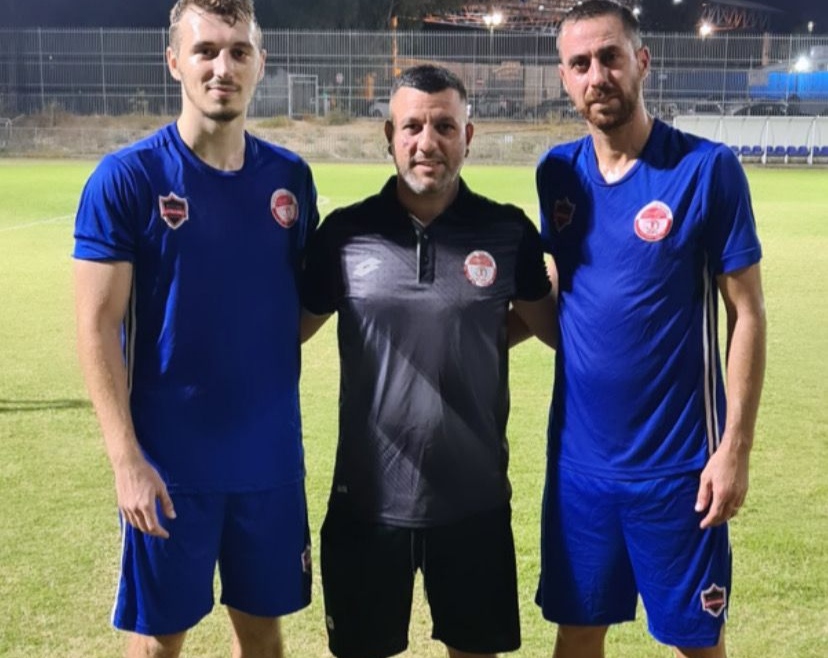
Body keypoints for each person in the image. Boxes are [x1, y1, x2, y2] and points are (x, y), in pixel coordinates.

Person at [73, 1, 318, 656]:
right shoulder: (128, 178)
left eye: (239, 51)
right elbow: (96, 327)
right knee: (158, 643)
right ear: (174, 61)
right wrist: (126, 460)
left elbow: (295, 306)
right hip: (169, 465)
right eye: (205, 50)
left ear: (260, 64)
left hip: (269, 461)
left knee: (263, 638)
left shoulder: (291, 179)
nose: (222, 67)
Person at [534, 2, 767, 658]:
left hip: (679, 470)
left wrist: (735, 449)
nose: (597, 76)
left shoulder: (707, 169)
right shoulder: (556, 173)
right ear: (564, 78)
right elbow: (566, 288)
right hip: (578, 470)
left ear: (641, 61)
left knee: (696, 642)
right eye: (580, 64)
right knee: (576, 634)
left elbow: (747, 312)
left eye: (610, 57)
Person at [301, 64, 557, 658]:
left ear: (468, 136)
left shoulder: (507, 231)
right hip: (366, 502)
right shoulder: (344, 234)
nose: (427, 142)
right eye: (412, 126)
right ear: (388, 135)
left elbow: (557, 330)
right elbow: (285, 336)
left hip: (473, 502)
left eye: (444, 126)